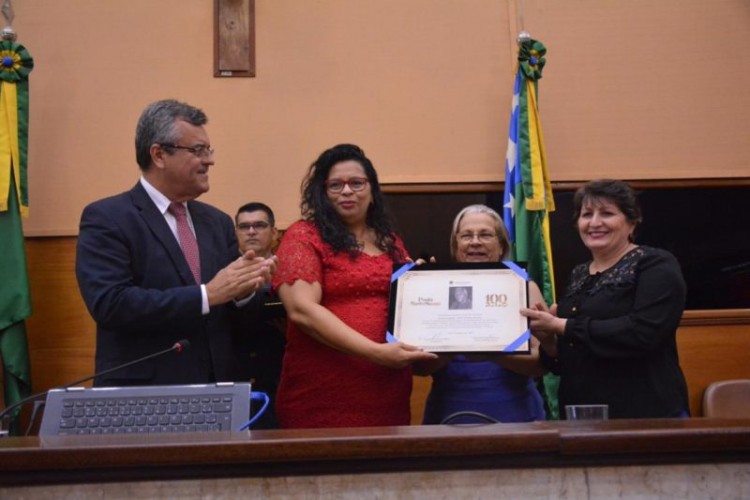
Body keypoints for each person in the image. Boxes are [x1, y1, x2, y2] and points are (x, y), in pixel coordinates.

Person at [76, 99, 276, 387]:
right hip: (144, 395)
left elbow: (236, 318)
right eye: (197, 150)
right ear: (158, 154)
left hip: (219, 389)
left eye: (208, 150)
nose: (209, 160)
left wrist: (244, 291)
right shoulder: (108, 218)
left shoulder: (217, 222)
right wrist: (208, 295)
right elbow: (111, 304)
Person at [272, 143, 438, 428]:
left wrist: (423, 285)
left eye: (356, 183)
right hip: (323, 394)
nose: (347, 191)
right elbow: (302, 310)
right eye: (335, 185)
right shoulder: (304, 235)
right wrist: (376, 353)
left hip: (387, 392)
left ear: (372, 190)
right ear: (323, 193)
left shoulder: (391, 241)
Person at [523, 179, 689, 419]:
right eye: (586, 214)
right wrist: (550, 341)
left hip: (646, 413)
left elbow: (642, 332)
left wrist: (562, 325)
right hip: (582, 416)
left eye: (607, 213)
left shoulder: (655, 264)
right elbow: (572, 357)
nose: (594, 223)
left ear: (631, 222)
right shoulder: (579, 274)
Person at [419, 204, 547, 425]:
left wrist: (486, 349)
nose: (475, 241)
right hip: (448, 415)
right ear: (455, 245)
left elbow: (541, 364)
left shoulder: (525, 288)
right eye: (466, 236)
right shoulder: (434, 288)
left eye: (486, 235)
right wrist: (417, 286)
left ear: (502, 246)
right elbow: (418, 367)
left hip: (516, 415)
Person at [233, 202, 286, 428]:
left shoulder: (292, 269)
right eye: (244, 227)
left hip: (282, 376)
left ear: (274, 232)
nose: (251, 231)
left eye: (259, 225)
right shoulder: (223, 273)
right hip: (236, 377)